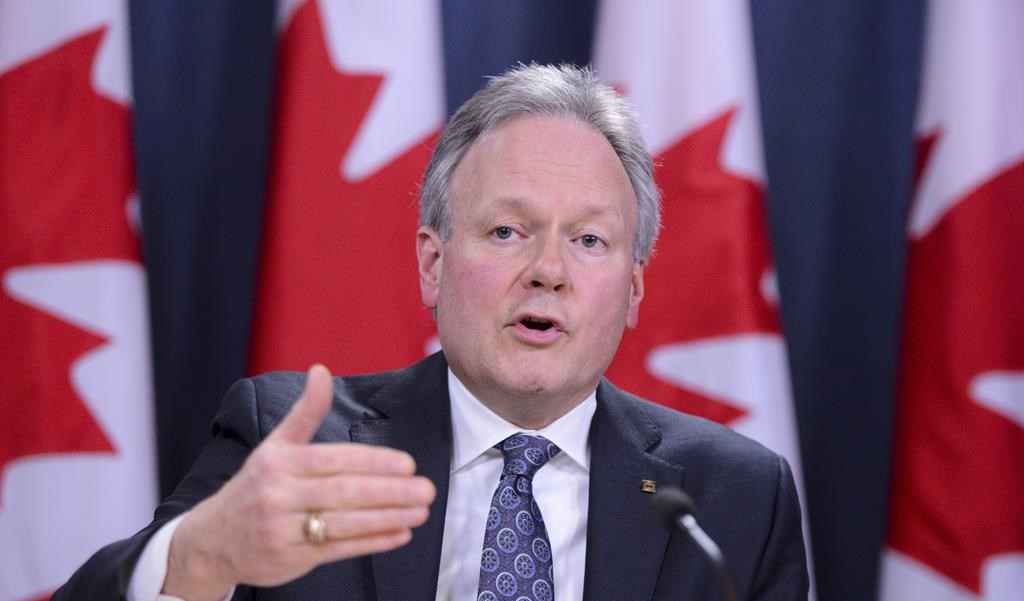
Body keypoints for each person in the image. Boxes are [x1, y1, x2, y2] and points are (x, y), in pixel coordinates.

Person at [56, 64, 808, 601]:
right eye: (508, 230)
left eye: (588, 241)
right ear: (432, 262)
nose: (548, 270)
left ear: (634, 285)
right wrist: (202, 554)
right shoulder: (292, 444)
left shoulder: (734, 498)